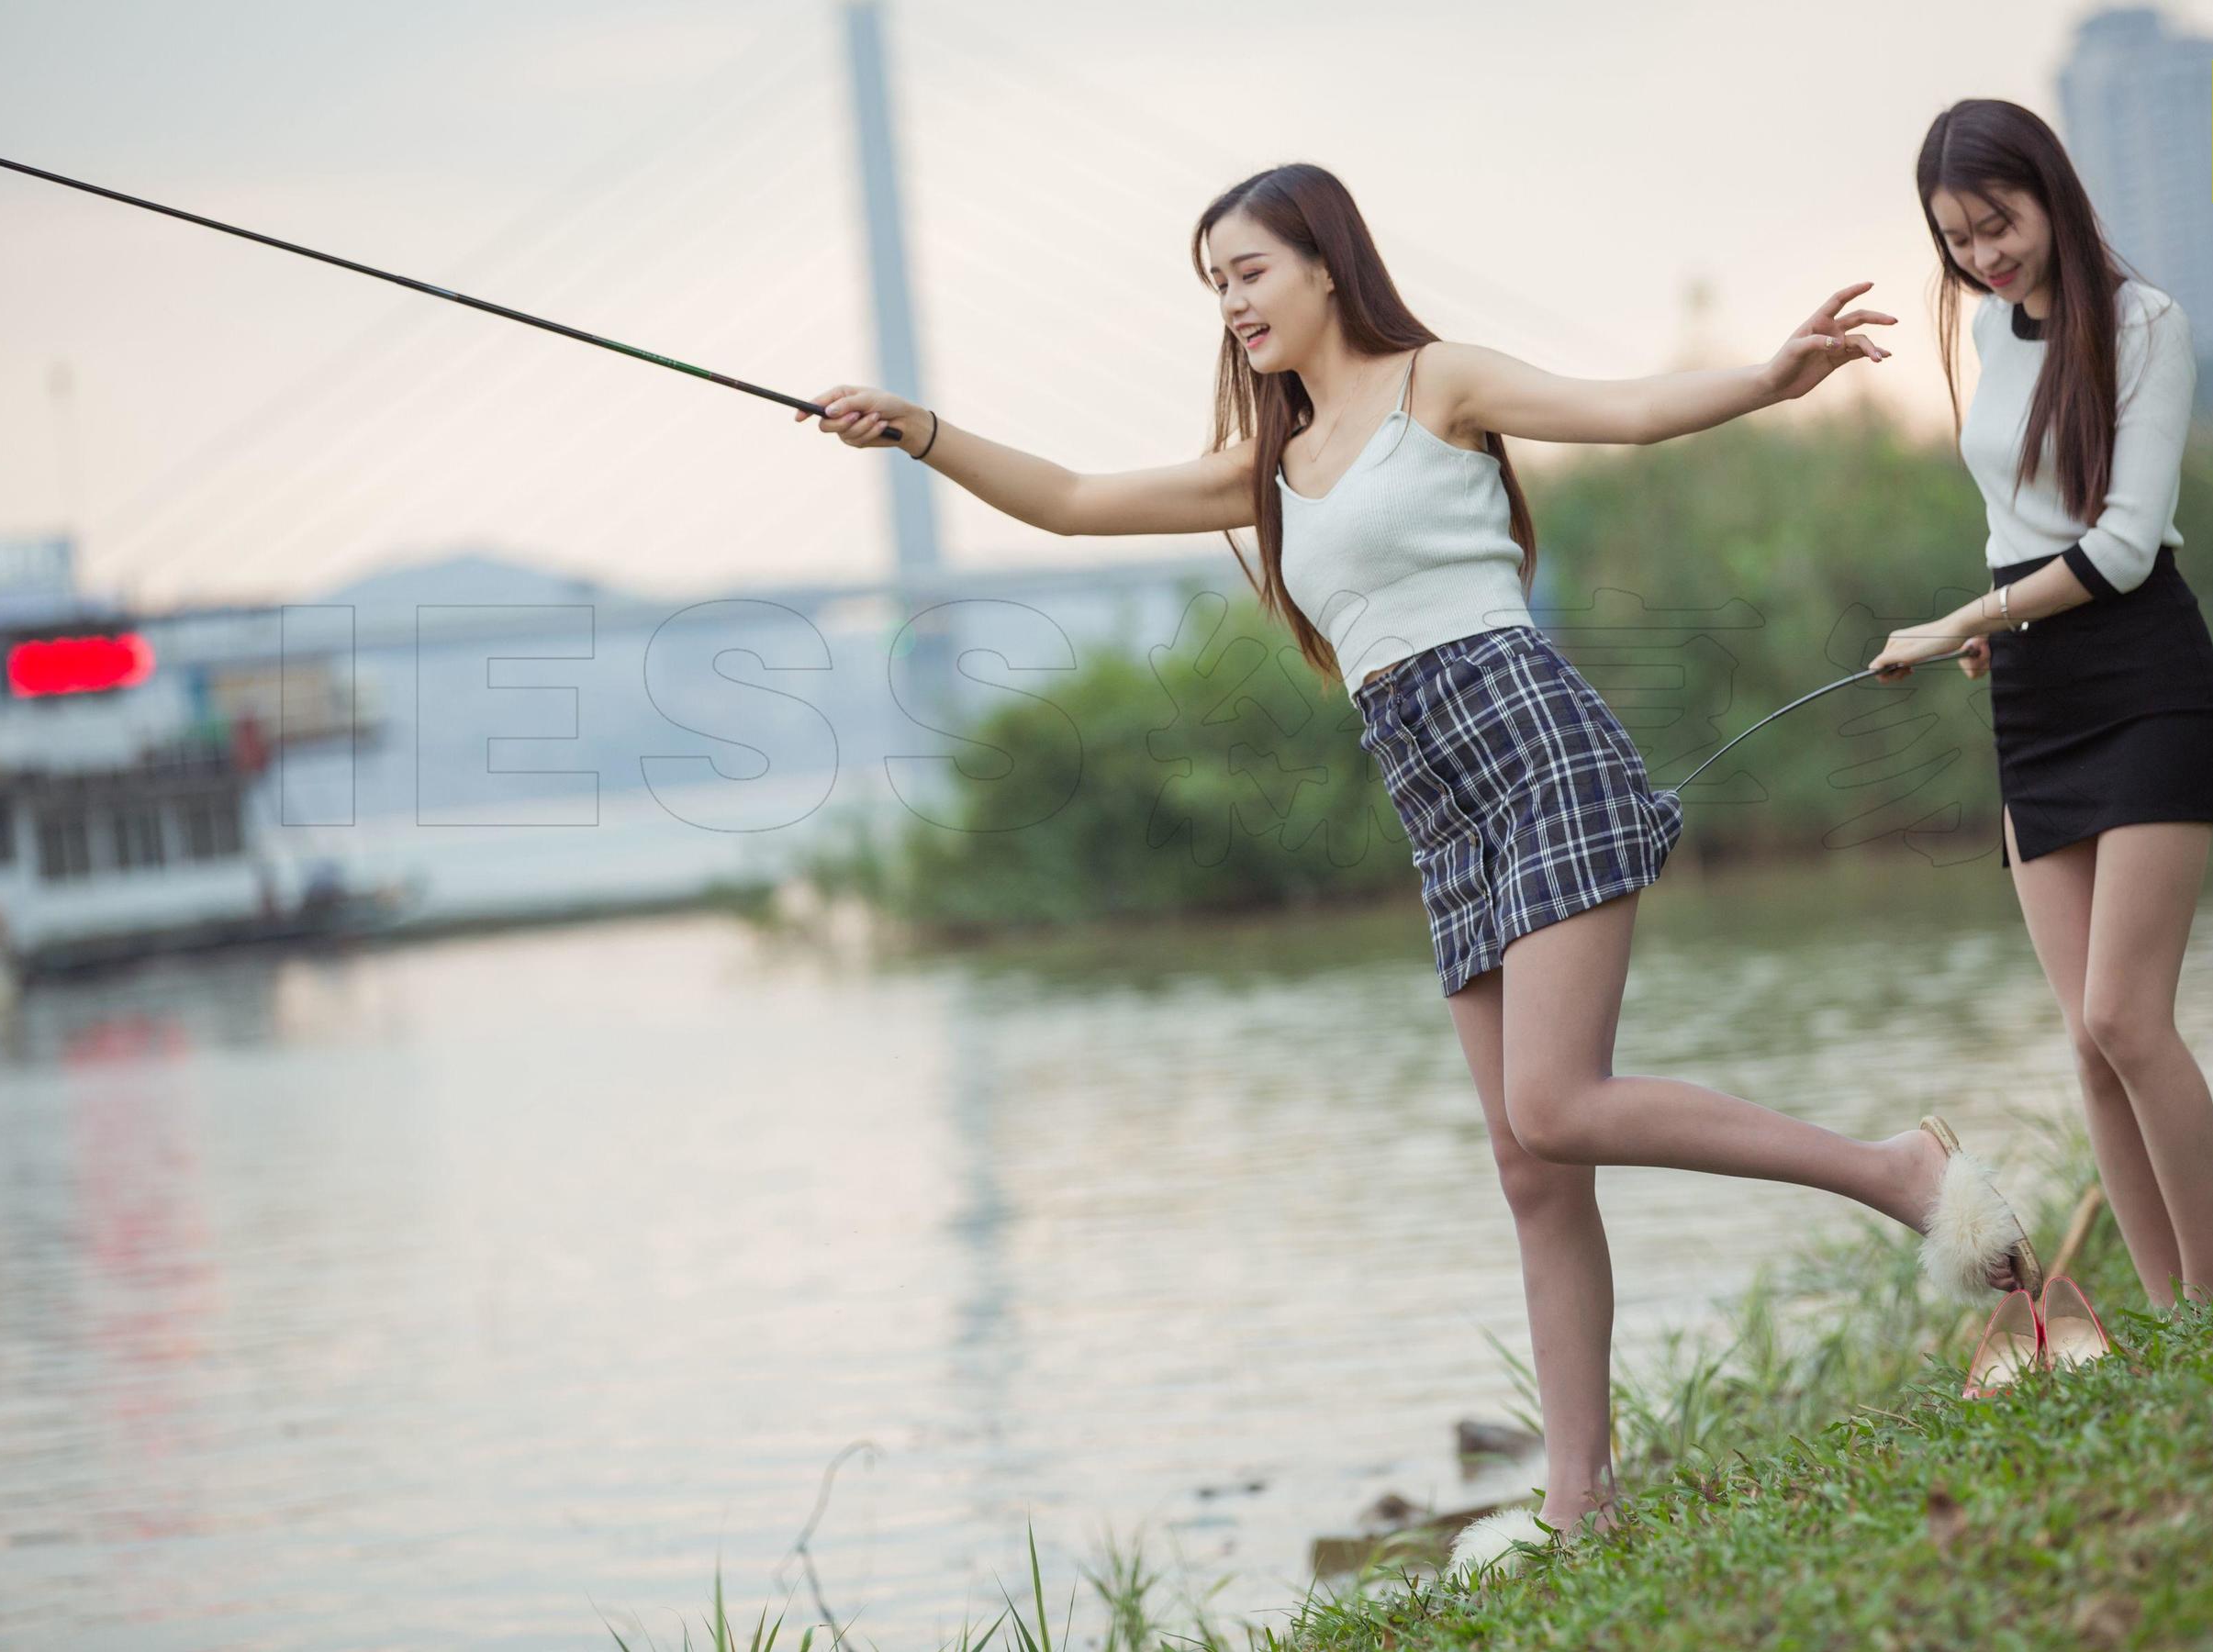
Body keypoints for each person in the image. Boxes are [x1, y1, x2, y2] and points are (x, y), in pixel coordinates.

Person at [803, 162, 2038, 1551]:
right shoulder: (1268, 470)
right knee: (1529, 1164)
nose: (1232, 303)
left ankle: (1897, 1174)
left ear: (1326, 265)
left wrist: (1765, 379)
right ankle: (1584, 1502)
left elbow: (1618, 411)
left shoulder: (1434, 385)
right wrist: (916, 431)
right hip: (1433, 796)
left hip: (1533, 743)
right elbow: (1075, 501)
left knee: (1559, 1104)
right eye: (1213, 284)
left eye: (1250, 271)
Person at [1867, 100, 2213, 1317]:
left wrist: (1960, 624)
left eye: (1998, 222)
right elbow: (2013, 519)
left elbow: (2124, 549)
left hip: (2144, 683)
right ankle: (2168, 1305)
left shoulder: (2147, 323)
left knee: (2130, 1016)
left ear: (2049, 190)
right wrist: (2004, 628)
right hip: (2034, 693)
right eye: (1959, 239)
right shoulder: (1991, 328)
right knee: (2086, 1038)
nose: (1984, 254)